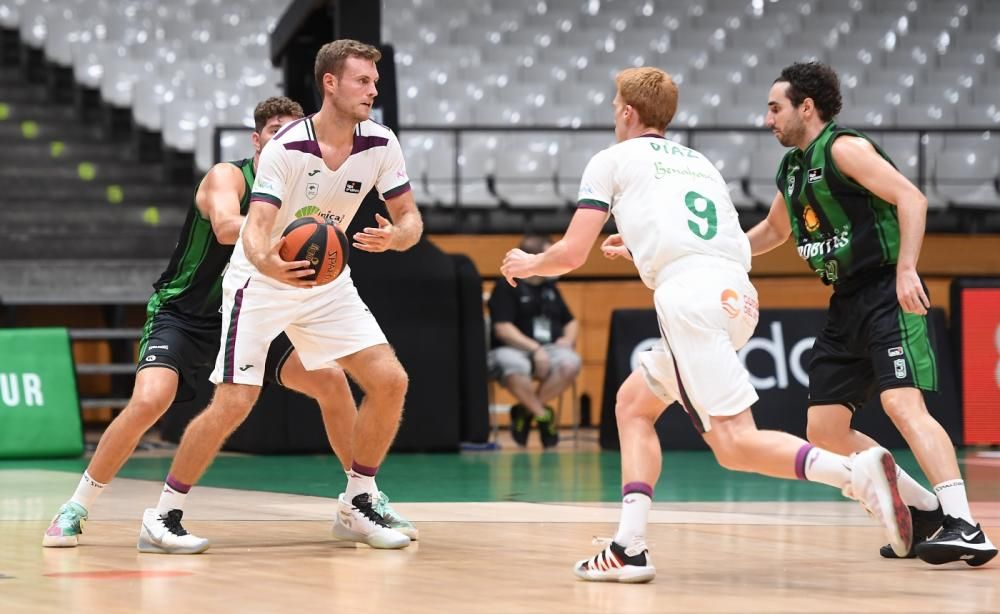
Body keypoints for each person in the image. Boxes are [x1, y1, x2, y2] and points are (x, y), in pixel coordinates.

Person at [501, 66, 912, 584]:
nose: (613, 113)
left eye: (613, 106)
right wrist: (641, 246)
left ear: (627, 111)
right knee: (633, 405)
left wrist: (529, 263)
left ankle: (855, 476)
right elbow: (725, 239)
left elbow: (571, 253)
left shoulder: (611, 159)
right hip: (735, 295)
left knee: (735, 444)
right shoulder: (698, 163)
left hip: (689, 300)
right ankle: (629, 546)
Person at [41, 96, 415, 551]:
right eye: (274, 130)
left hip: (253, 307)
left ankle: (361, 500)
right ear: (257, 139)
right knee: (150, 401)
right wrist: (281, 234)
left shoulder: (302, 178)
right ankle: (76, 507)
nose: (283, 138)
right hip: (188, 312)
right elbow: (224, 226)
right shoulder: (229, 176)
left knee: (333, 383)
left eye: (291, 130)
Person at [135, 40, 423, 554]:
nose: (373, 90)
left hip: (328, 282)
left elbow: (411, 219)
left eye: (375, 82)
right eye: (363, 81)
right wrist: (270, 263)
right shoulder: (287, 146)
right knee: (235, 401)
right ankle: (163, 515)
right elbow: (256, 229)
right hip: (262, 279)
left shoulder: (381, 142)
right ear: (329, 83)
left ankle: (358, 500)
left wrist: (397, 237)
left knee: (390, 380)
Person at [747, 61, 996, 567]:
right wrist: (708, 253)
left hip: (886, 291)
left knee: (904, 407)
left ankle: (965, 525)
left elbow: (912, 198)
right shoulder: (793, 169)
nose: (768, 118)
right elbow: (773, 233)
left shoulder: (844, 149)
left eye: (776, 108)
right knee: (824, 429)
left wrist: (907, 269)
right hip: (845, 302)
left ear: (806, 107)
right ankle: (924, 511)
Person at [487, 234, 581, 448]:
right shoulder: (507, 285)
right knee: (513, 366)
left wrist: (567, 339)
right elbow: (503, 328)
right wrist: (535, 349)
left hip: (550, 347)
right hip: (513, 348)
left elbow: (571, 321)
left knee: (570, 363)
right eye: (550, 253)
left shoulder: (550, 287)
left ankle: (526, 411)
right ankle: (543, 415)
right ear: (536, 256)